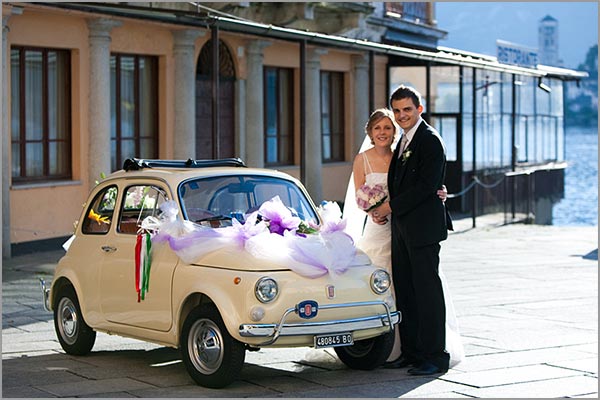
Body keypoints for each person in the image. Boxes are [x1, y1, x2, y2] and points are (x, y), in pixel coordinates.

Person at [343, 108, 460, 366]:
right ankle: (387, 346)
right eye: (378, 128)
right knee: (386, 285)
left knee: (415, 287)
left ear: (394, 130)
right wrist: (373, 210)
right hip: (379, 228)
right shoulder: (363, 159)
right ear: (370, 133)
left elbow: (422, 181)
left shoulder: (402, 154)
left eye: (387, 127)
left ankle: (418, 349)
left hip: (405, 225)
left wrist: (439, 190)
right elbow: (360, 196)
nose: (383, 132)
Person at [368, 85, 457, 376]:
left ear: (419, 109)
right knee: (406, 290)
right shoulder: (404, 141)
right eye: (397, 110)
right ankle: (412, 352)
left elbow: (425, 186)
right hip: (403, 228)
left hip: (424, 229)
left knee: (427, 292)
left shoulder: (430, 140)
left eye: (407, 109)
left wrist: (389, 207)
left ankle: (435, 356)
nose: (402, 115)